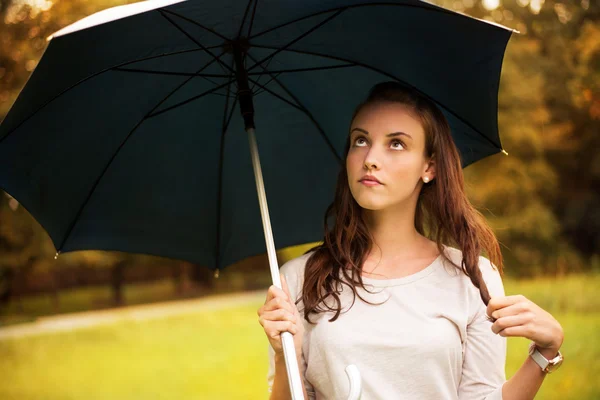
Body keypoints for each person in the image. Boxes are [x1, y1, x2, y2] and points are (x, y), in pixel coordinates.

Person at [257, 81, 564, 400]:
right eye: (360, 140)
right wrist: (284, 356)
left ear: (429, 166)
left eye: (396, 144)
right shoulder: (297, 279)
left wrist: (544, 354)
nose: (370, 158)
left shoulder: (472, 276)